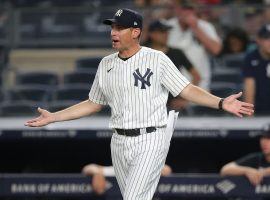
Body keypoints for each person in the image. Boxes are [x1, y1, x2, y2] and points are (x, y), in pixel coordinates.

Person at [25, 8, 254, 200]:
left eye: (119, 28)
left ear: (135, 32)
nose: (113, 32)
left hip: (150, 138)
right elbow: (93, 103)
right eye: (112, 28)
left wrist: (221, 103)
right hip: (119, 141)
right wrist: (54, 117)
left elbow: (186, 89)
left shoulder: (157, 59)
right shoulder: (106, 64)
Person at [146, 19, 201, 110]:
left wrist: (185, 99)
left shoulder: (177, 53)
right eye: (162, 32)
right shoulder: (142, 53)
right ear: (152, 34)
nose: (166, 35)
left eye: (167, 32)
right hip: (147, 104)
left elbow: (196, 76)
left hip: (173, 105)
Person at [167, 0, 222, 91]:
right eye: (184, 8)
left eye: (190, 8)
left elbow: (217, 50)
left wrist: (195, 27)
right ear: (177, 9)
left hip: (200, 87)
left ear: (195, 10)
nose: (187, 12)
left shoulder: (205, 26)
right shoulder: (167, 26)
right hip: (171, 87)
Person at [82, 163, 172, 195]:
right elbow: (87, 168)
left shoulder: (144, 168)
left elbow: (167, 170)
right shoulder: (116, 169)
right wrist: (97, 172)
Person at [243, 24, 270, 115]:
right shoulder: (251, 58)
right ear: (259, 40)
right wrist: (249, 116)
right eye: (267, 38)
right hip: (259, 111)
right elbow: (249, 87)